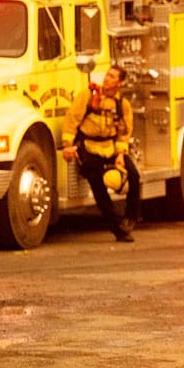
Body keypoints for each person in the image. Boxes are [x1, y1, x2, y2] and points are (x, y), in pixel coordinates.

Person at [62, 64, 141, 242]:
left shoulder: (122, 105)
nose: (107, 78)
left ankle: (131, 217)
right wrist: (68, 145)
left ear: (120, 83)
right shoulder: (88, 95)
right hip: (89, 147)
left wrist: (120, 155)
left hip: (111, 148)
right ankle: (117, 229)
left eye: (112, 76)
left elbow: (124, 133)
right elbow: (71, 120)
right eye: (107, 75)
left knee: (134, 175)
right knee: (98, 185)